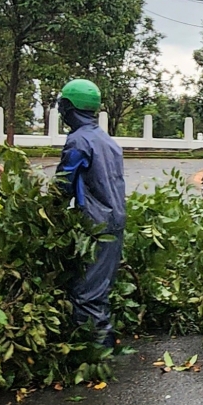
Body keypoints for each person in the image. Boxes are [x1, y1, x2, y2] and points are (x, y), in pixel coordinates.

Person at [54, 78, 126, 352]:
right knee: (99, 287)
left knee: (86, 295)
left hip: (95, 225)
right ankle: (101, 348)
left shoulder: (78, 141)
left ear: (71, 108)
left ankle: (98, 358)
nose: (61, 113)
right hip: (114, 221)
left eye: (62, 107)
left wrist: (46, 214)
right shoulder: (107, 140)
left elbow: (63, 186)